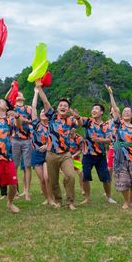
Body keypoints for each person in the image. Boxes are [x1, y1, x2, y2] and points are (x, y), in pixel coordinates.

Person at [34, 81, 78, 210]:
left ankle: (70, 202)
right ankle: (58, 200)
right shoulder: (52, 116)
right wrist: (40, 89)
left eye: (65, 105)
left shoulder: (71, 120)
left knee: (70, 175)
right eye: (61, 105)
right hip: (51, 154)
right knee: (53, 180)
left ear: (68, 109)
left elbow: (76, 126)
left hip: (65, 154)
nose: (63, 106)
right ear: (57, 107)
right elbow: (46, 101)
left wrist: (77, 119)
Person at [106, 86, 132, 209]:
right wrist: (111, 94)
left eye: (129, 111)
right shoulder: (118, 124)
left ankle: (130, 200)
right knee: (124, 181)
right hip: (120, 157)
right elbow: (115, 110)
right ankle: (126, 202)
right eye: (124, 111)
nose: (126, 112)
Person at [72, 102, 116, 206]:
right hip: (87, 154)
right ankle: (87, 198)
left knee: (105, 177)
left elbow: (109, 140)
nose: (94, 110)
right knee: (85, 176)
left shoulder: (105, 126)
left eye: (96, 109)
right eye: (93, 109)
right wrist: (77, 117)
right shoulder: (88, 121)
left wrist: (99, 140)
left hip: (100, 156)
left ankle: (109, 197)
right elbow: (80, 123)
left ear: (101, 112)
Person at [7, 89, 34, 201]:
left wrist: (23, 119)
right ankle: (15, 190)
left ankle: (26, 191)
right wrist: (12, 88)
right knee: (14, 166)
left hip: (27, 140)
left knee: (27, 166)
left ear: (23, 97)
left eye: (20, 94)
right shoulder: (12, 108)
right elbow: (6, 98)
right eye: (16, 94)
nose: (18, 95)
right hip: (15, 139)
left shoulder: (28, 108)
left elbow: (32, 121)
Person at [30, 88, 54, 205]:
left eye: (45, 112)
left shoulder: (53, 125)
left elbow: (56, 139)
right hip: (36, 153)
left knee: (47, 178)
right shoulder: (36, 124)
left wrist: (47, 145)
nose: (43, 113)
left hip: (48, 153)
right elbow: (33, 108)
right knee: (42, 180)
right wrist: (36, 93)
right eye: (41, 113)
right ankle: (47, 198)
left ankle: (51, 198)